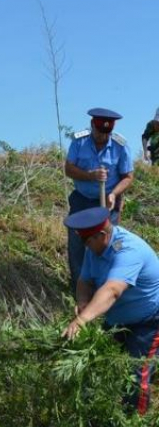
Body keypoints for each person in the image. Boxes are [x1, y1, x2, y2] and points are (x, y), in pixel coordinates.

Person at [61, 207, 159, 415]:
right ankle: (100, 414)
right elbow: (85, 280)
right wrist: (82, 300)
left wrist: (81, 320)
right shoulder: (94, 249)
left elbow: (113, 290)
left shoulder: (128, 251)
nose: (84, 246)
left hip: (149, 321)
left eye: (87, 241)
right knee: (102, 364)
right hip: (116, 320)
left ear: (102, 235)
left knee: (136, 373)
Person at [64, 108, 134, 292]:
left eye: (106, 133)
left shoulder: (121, 145)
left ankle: (105, 288)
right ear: (92, 126)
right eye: (99, 133)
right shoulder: (79, 142)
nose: (102, 137)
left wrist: (113, 194)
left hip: (109, 203)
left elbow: (128, 177)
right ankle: (78, 289)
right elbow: (68, 169)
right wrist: (90, 175)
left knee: (108, 244)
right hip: (83, 200)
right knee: (78, 241)